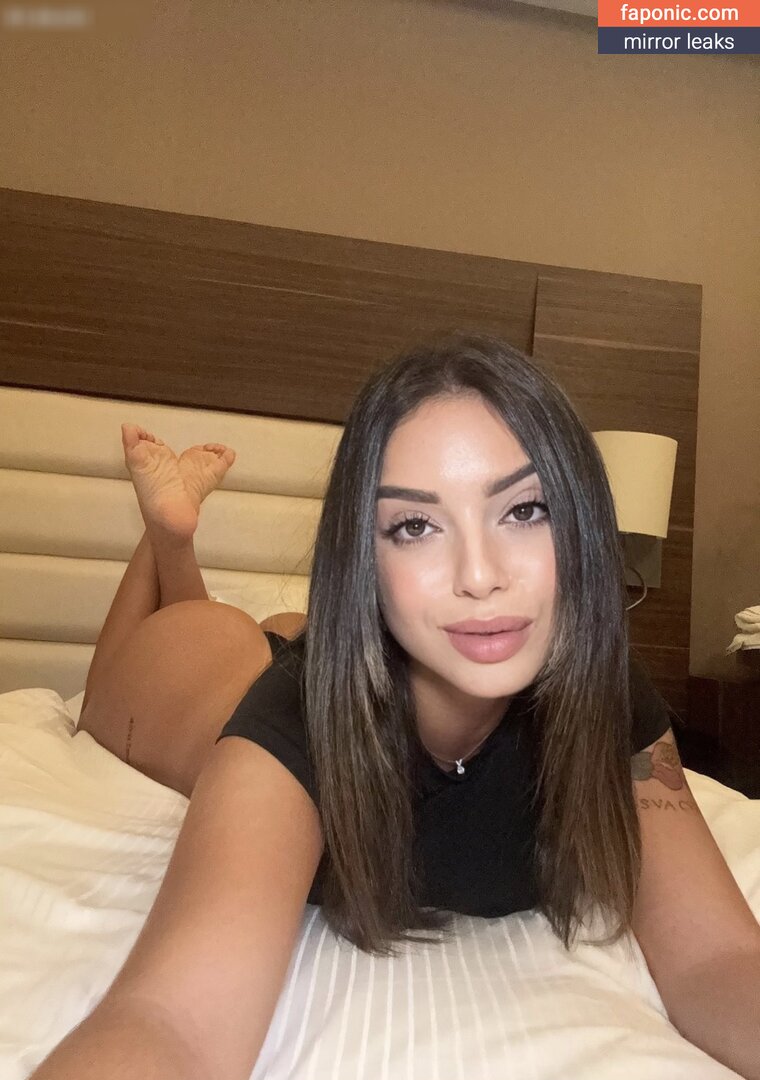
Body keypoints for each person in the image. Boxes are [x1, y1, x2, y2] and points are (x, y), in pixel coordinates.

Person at [30, 334, 760, 1080]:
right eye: (416, 526)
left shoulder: (605, 695)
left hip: (371, 650)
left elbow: (718, 956)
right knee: (156, 660)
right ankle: (168, 540)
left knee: (289, 631)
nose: (480, 575)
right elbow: (172, 1021)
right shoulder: (290, 730)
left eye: (525, 509)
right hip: (223, 684)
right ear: (362, 560)